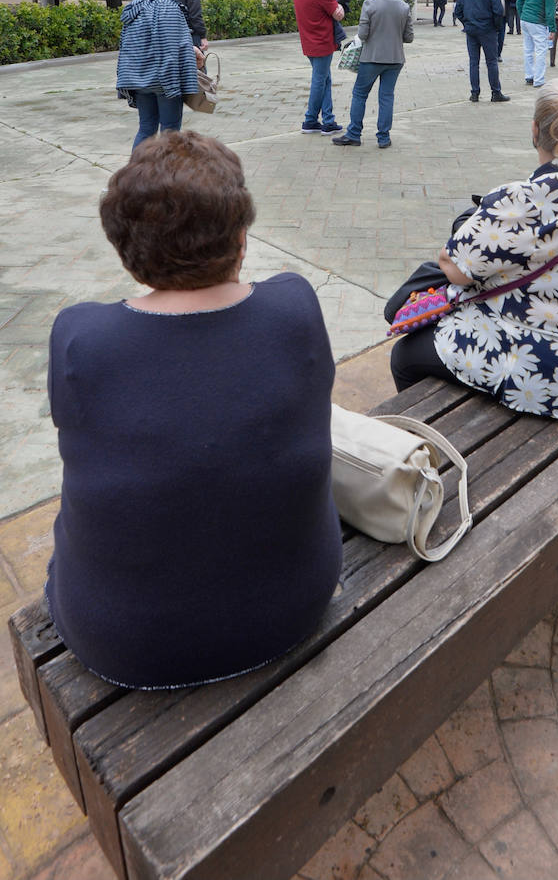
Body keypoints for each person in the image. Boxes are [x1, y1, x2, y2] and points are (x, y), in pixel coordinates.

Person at [45, 130, 342, 689]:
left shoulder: (82, 337)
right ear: (241, 238)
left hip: (123, 641)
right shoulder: (294, 306)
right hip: (296, 605)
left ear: (125, 250)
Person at [389, 79, 558, 419]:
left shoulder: (518, 201)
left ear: (535, 130)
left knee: (405, 355)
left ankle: (442, 431)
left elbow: (453, 268)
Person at [116, 0, 201, 150]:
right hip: (165, 81)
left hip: (140, 80)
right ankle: (166, 176)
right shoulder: (169, 7)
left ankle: (137, 174)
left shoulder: (133, 9)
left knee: (146, 129)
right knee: (170, 132)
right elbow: (172, 48)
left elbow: (132, 47)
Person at [334, 0, 413, 149]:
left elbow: (362, 34)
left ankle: (354, 134)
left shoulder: (370, 4)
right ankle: (383, 137)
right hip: (395, 59)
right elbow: (409, 37)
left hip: (372, 57)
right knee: (386, 96)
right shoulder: (404, 6)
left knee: (360, 94)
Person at [293, 0, 345, 133]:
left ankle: (328, 120)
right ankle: (310, 120)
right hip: (322, 43)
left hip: (308, 42)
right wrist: (339, 5)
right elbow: (338, 15)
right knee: (319, 81)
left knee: (324, 80)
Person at [453, 0, 510, 103]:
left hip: (471, 29)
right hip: (487, 29)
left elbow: (458, 10)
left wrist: (466, 23)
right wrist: (497, 27)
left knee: (474, 62)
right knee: (491, 61)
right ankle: (495, 92)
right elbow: (498, 10)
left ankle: (474, 93)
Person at [516, 0, 556, 87]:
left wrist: (522, 15)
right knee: (541, 50)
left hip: (525, 20)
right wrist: (552, 29)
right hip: (538, 22)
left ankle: (529, 76)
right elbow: (550, 11)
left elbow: (519, 1)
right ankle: (539, 80)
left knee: (528, 49)